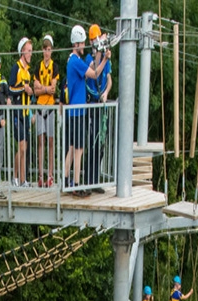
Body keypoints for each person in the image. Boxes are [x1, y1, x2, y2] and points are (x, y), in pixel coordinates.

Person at [64, 25, 110, 197]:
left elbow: (91, 65)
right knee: (79, 149)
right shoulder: (75, 62)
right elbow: (96, 73)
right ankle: (75, 184)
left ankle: (67, 180)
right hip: (77, 111)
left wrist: (99, 52)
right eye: (82, 43)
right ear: (76, 44)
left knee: (71, 147)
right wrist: (105, 58)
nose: (83, 46)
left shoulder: (74, 61)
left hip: (75, 111)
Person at [84, 24, 113, 194]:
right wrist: (102, 55)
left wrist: (107, 92)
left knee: (101, 142)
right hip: (91, 103)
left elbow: (108, 79)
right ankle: (88, 179)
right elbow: (95, 70)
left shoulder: (105, 60)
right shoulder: (89, 59)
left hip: (101, 102)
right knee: (92, 143)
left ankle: (95, 179)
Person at [32, 34, 59, 188]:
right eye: (45, 50)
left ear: (51, 51)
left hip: (50, 107)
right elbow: (36, 91)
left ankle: (50, 174)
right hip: (40, 107)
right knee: (40, 141)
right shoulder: (38, 67)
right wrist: (45, 89)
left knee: (50, 141)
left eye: (49, 50)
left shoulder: (54, 67)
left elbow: (53, 88)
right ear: (42, 51)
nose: (47, 53)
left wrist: (44, 88)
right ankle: (41, 174)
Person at [9, 37, 34, 187]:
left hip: (25, 112)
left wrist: (29, 92)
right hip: (17, 112)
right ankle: (15, 176)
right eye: (29, 51)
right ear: (23, 51)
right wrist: (23, 89)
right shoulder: (16, 68)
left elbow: (27, 91)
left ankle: (23, 179)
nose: (31, 54)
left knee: (25, 148)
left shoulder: (28, 71)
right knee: (21, 147)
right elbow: (11, 89)